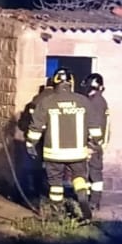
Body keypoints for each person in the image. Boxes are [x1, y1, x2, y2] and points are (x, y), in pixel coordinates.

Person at [24, 68, 93, 220]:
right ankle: (84, 204)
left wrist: (30, 144)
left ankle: (58, 214)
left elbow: (36, 127)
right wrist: (96, 144)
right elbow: (94, 127)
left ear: (54, 82)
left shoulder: (46, 102)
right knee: (80, 178)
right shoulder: (83, 101)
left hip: (54, 153)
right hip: (77, 153)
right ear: (71, 82)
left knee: (55, 183)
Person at [81, 72, 110, 215]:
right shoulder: (97, 100)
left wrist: (92, 145)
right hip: (95, 144)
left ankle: (93, 202)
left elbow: (95, 126)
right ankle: (90, 201)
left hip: (93, 145)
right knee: (90, 174)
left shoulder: (96, 102)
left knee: (94, 173)